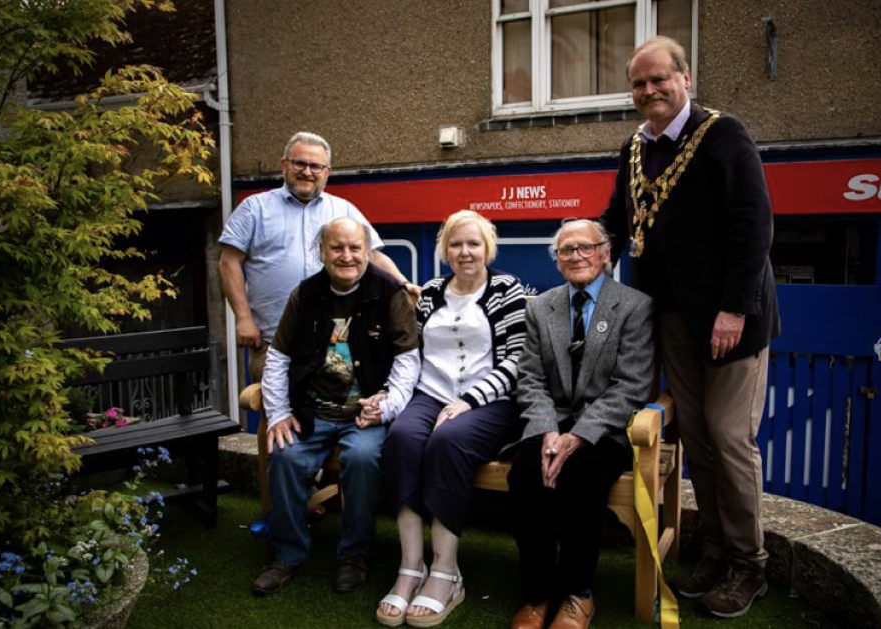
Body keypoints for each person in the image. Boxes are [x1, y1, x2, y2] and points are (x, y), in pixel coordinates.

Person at [600, 36, 780, 618]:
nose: (648, 91)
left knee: (730, 440)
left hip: (733, 321)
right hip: (672, 318)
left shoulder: (724, 134)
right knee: (697, 440)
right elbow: (617, 222)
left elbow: (753, 226)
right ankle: (715, 549)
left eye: (659, 79)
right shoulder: (634, 147)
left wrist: (734, 308)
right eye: (639, 83)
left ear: (686, 77)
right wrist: (587, 249)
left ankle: (749, 564)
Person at [219, 131, 414, 512]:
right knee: (288, 417)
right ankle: (292, 497)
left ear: (328, 171)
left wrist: (404, 285)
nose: (307, 171)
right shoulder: (255, 208)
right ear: (284, 165)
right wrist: (243, 318)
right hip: (280, 341)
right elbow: (228, 262)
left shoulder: (343, 210)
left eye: (315, 166)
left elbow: (372, 257)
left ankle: (320, 486)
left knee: (349, 394)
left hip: (345, 341)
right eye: (300, 163)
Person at [374, 210, 527, 628]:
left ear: (487, 248)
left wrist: (470, 399)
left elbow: (518, 358)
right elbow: (410, 353)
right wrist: (393, 396)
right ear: (445, 250)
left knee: (447, 442)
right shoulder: (431, 293)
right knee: (403, 437)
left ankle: (446, 572)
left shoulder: (506, 288)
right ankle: (410, 567)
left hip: (491, 401)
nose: (465, 252)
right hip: (430, 393)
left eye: (473, 244)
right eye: (456, 244)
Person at [251, 217, 419, 596]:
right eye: (336, 248)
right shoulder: (305, 293)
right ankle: (287, 555)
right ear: (322, 252)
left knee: (361, 460)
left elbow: (409, 359)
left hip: (366, 415)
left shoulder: (390, 292)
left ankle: (354, 556)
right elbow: (278, 357)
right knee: (287, 456)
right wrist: (278, 413)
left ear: (367, 251)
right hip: (310, 411)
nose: (346, 256)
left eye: (354, 248)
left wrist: (388, 405)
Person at [508, 219, 654, 629]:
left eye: (585, 248)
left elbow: (632, 385)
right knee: (525, 474)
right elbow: (530, 377)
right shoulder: (541, 306)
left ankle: (577, 593)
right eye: (566, 251)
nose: (576, 256)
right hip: (550, 422)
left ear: (606, 253)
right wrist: (547, 430)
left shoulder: (634, 306)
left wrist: (579, 435)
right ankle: (538, 593)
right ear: (557, 261)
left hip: (604, 429)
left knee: (582, 473)